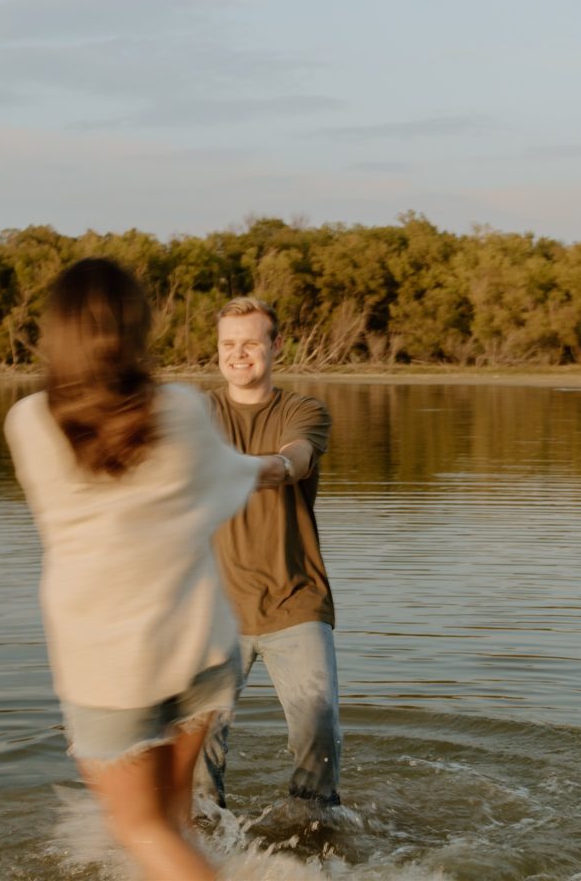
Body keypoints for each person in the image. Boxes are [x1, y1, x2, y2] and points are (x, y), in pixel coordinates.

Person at [4, 259, 279, 881]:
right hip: (202, 652)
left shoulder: (27, 421)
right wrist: (279, 467)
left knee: (142, 832)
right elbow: (232, 476)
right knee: (174, 826)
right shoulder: (180, 409)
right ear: (136, 330)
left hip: (110, 671)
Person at [197, 296, 341, 808]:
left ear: (275, 346)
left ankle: (314, 833)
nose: (239, 354)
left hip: (294, 600)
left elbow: (294, 459)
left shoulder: (303, 410)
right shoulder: (197, 411)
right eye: (228, 344)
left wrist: (241, 469)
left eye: (251, 343)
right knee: (197, 744)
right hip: (213, 611)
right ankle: (205, 839)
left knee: (318, 732)